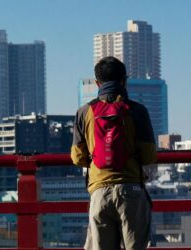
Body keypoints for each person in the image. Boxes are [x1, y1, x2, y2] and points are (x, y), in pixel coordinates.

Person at [71, 56, 157, 250]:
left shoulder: (84, 112)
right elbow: (149, 155)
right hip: (131, 192)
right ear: (124, 80)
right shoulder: (137, 110)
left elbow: (77, 157)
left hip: (99, 192)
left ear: (96, 83)